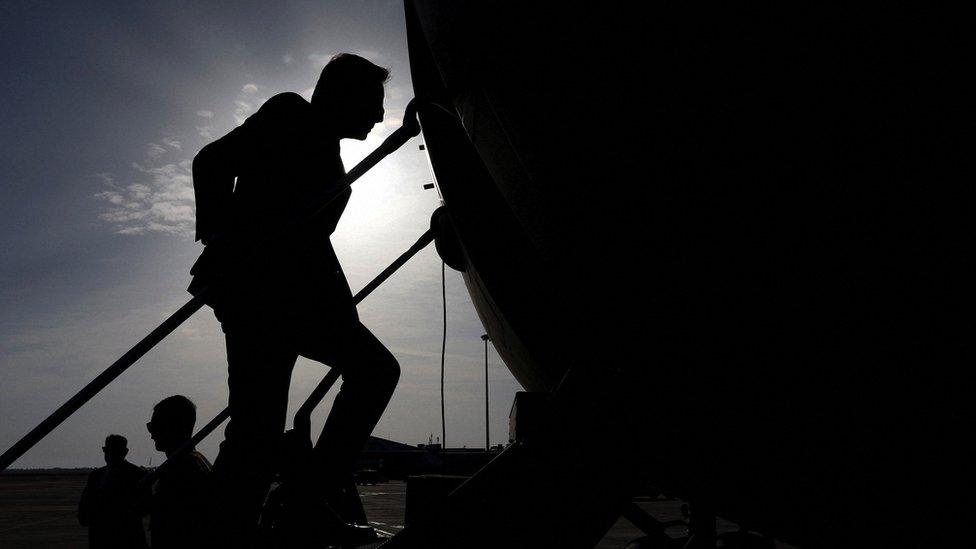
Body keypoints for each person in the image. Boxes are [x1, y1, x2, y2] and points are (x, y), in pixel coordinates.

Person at [189, 53, 398, 545]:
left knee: (258, 433)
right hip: (262, 297)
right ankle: (288, 509)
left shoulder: (330, 156)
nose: (379, 116)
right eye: (374, 102)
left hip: (294, 302)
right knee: (260, 432)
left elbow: (308, 242)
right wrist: (221, 242)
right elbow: (211, 162)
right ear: (344, 97)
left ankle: (292, 506)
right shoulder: (290, 115)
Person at [147, 395, 212, 548]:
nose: (151, 434)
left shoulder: (182, 471)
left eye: (154, 426)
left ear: (172, 427)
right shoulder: (194, 462)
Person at [77, 434, 149, 549]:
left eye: (113, 450)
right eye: (106, 450)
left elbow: (145, 506)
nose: (109, 454)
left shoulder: (137, 475)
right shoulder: (96, 475)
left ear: (124, 452)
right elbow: (85, 505)